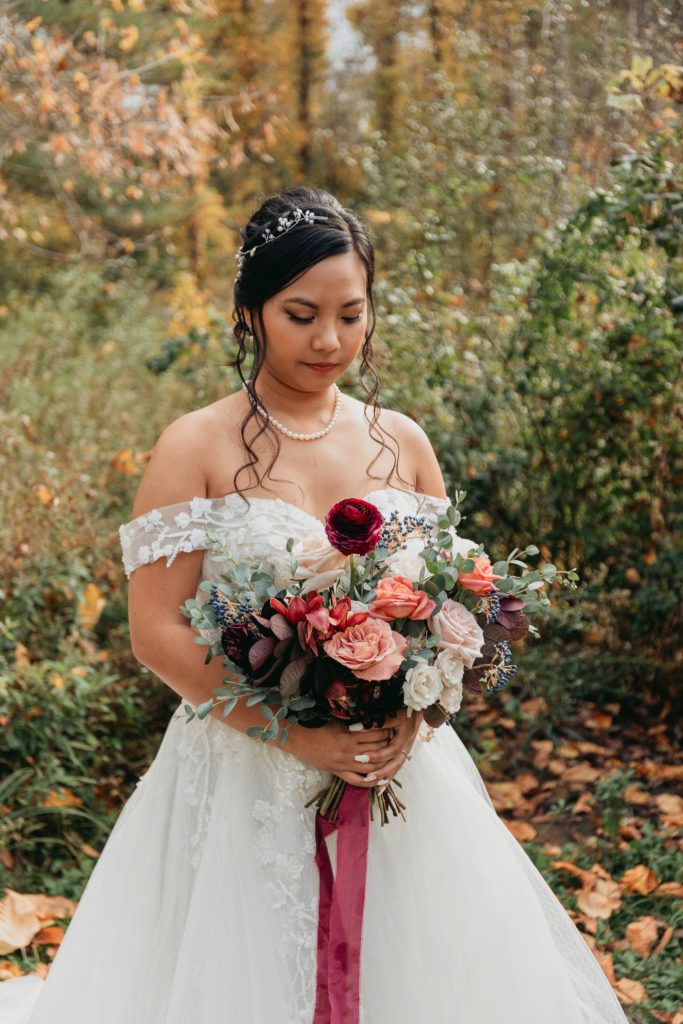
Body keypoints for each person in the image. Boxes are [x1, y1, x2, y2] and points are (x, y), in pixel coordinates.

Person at [0, 187, 629, 1024]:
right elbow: (154, 632)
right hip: (242, 769)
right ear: (250, 311)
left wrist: (414, 714)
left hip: (396, 768)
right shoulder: (195, 444)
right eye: (300, 314)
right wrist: (299, 736)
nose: (328, 340)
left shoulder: (401, 439)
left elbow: (454, 609)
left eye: (350, 313)